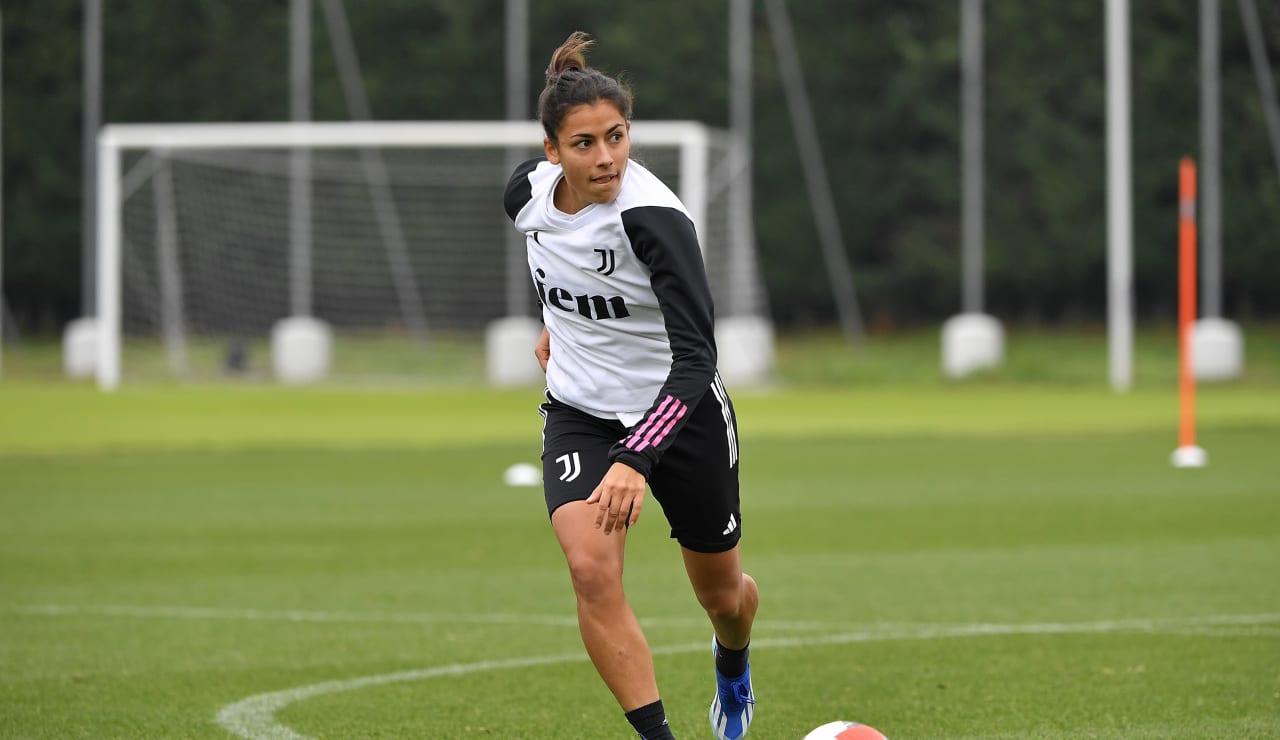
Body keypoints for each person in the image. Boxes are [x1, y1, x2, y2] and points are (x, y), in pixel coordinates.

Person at [503, 31, 760, 740]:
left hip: (680, 416)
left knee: (723, 597)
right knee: (590, 570)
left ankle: (733, 667)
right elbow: (555, 257)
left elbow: (696, 360)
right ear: (552, 151)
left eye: (617, 137)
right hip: (580, 412)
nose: (606, 157)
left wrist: (636, 457)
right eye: (584, 144)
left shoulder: (654, 222)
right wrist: (557, 320)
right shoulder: (525, 194)